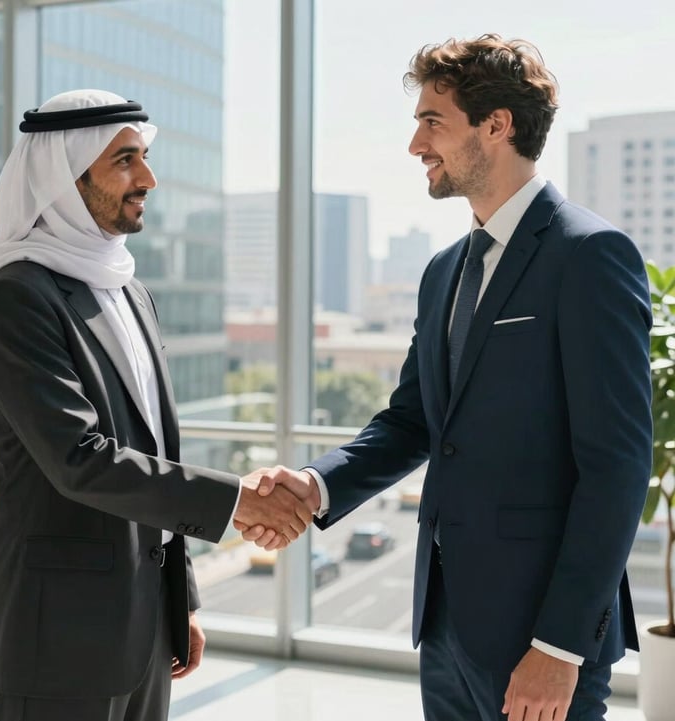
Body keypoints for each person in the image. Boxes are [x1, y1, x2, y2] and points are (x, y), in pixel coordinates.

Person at [238, 34, 653, 721]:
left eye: (433, 121)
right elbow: (414, 422)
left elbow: (616, 465)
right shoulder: (441, 271)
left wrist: (560, 644)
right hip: (446, 627)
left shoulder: (590, 256)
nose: (414, 146)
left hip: (541, 639)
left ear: (497, 125)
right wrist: (316, 484)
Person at [0, 89, 313, 721]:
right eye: (125, 161)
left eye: (144, 158)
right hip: (56, 641)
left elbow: (156, 449)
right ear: (64, 178)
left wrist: (179, 600)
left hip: (142, 634)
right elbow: (79, 459)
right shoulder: (16, 297)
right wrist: (238, 501)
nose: (149, 179)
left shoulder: (129, 289)